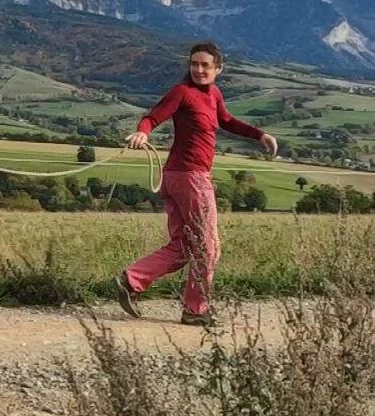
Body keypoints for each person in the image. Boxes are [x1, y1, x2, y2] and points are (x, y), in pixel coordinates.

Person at [114, 42, 277, 326]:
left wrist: (259, 135)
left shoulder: (213, 94)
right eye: (194, 64)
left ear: (218, 69)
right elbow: (154, 117)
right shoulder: (182, 92)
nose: (199, 70)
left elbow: (226, 121)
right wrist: (142, 133)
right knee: (208, 247)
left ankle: (130, 280)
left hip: (178, 177)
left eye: (205, 65)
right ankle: (196, 310)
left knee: (185, 245)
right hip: (191, 179)